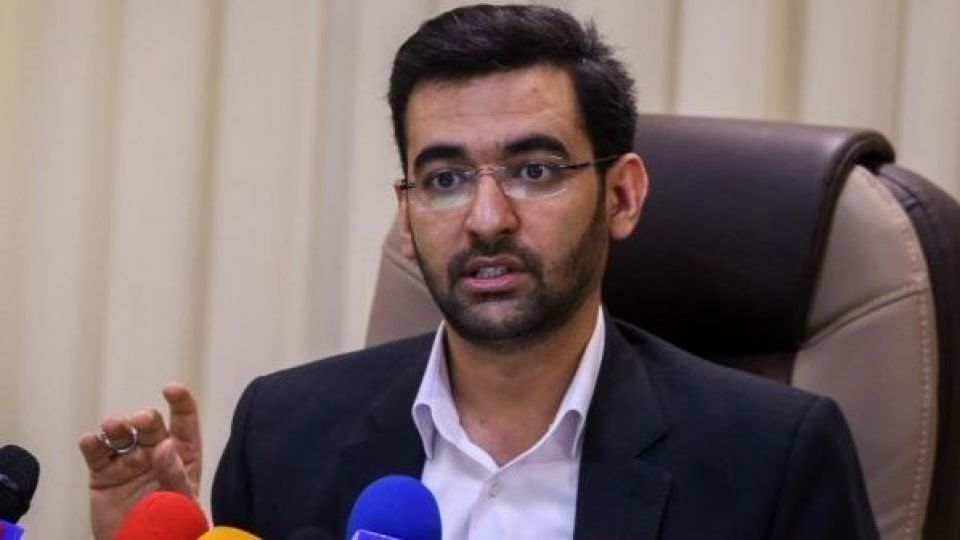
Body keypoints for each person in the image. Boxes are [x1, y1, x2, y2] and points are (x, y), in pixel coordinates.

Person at [79, 4, 879, 539]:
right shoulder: (284, 434)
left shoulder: (772, 459)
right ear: (406, 213)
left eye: (534, 171)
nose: (487, 218)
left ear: (622, 196)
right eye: (446, 178)